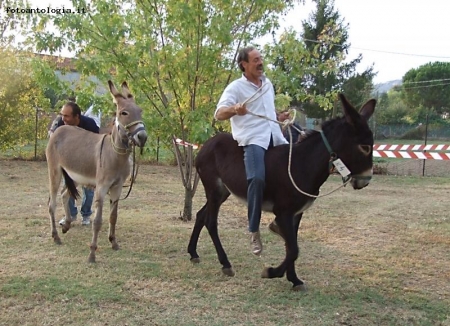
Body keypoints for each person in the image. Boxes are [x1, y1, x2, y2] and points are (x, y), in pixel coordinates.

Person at [215, 46, 288, 256]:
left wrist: (278, 116)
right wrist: (234, 109)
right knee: (256, 178)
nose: (260, 63)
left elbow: (266, 110)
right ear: (244, 65)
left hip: (276, 136)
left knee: (297, 167)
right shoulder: (235, 88)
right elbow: (219, 114)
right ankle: (254, 229)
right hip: (254, 139)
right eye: (255, 60)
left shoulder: (268, 85)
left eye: (261, 58)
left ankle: (281, 221)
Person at [50, 101, 100, 226]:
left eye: (66, 116)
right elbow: (54, 141)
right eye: (62, 115)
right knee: (68, 188)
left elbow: (98, 147)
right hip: (70, 161)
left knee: (89, 190)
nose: (63, 118)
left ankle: (86, 215)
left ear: (77, 117)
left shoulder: (90, 124)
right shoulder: (61, 124)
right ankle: (71, 215)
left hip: (88, 162)